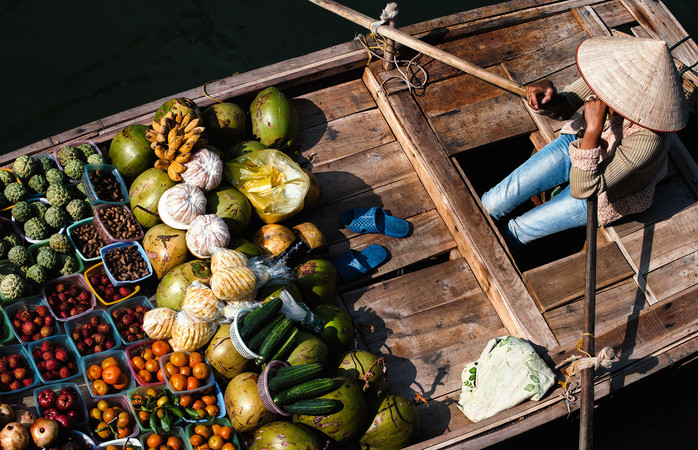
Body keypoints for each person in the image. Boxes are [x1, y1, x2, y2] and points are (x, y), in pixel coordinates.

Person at [481, 36, 689, 247]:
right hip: (579, 145)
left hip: (606, 192)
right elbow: (566, 107)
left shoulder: (649, 141)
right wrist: (550, 98)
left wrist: (593, 129)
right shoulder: (609, 75)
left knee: (517, 231)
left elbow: (584, 188)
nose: (605, 90)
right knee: (491, 203)